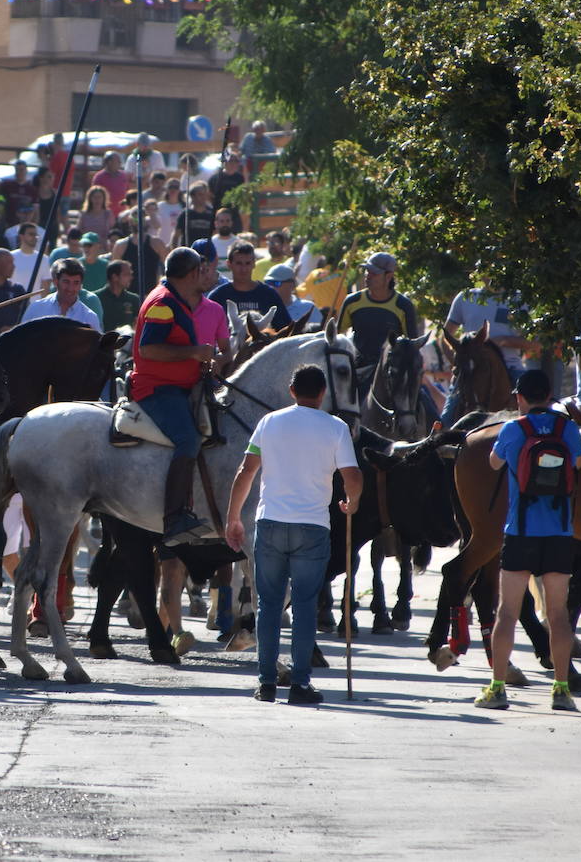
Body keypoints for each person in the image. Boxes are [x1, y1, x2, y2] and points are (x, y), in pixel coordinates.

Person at [224, 364, 362, 705]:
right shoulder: (336, 427)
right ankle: (300, 684)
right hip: (313, 527)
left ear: (291, 391)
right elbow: (353, 476)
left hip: (270, 523)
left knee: (269, 606)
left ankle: (267, 683)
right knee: (303, 606)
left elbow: (246, 471)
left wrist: (233, 518)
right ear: (323, 394)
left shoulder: (269, 423)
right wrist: (351, 502)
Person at [476, 369, 581, 712]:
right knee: (558, 615)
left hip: (520, 533)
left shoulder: (513, 429)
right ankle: (562, 690)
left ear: (520, 398)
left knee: (507, 612)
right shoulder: (566, 428)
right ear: (550, 395)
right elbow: (579, 462)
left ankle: (496, 689)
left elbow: (494, 463)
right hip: (559, 534)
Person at [128, 247, 222, 547]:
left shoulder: (174, 299)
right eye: (203, 269)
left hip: (180, 386)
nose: (206, 274)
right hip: (157, 390)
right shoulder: (163, 304)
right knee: (189, 440)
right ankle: (174, 518)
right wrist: (195, 352)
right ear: (193, 273)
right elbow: (148, 349)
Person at [337, 251, 419, 368]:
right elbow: (336, 335)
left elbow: (412, 346)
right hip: (356, 369)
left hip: (389, 372)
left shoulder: (403, 306)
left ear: (389, 276)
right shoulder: (352, 301)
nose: (368, 276)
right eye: (367, 271)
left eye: (374, 273)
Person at [443, 288, 538, 382]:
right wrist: (461, 365)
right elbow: (445, 337)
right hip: (472, 371)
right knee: (454, 397)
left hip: (510, 368)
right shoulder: (465, 297)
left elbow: (538, 344)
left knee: (531, 393)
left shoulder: (521, 299)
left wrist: (503, 341)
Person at [208, 243, 290, 330]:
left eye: (247, 263)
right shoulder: (217, 297)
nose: (243, 269)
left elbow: (285, 329)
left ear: (254, 263)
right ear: (229, 264)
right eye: (239, 263)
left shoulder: (269, 294)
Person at [22, 258, 101, 330]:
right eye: (66, 282)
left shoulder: (89, 318)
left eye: (76, 283)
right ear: (56, 282)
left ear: (81, 285)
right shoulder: (36, 309)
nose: (70, 288)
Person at [112, 215, 169, 288]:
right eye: (135, 219)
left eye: (141, 218)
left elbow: (168, 267)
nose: (138, 221)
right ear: (130, 222)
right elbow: (114, 271)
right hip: (128, 293)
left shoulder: (157, 243)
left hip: (151, 291)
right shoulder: (121, 245)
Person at [96, 260, 140, 333]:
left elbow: (137, 325)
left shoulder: (134, 299)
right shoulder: (96, 298)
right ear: (114, 277)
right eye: (127, 274)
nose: (131, 277)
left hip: (127, 342)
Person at [9, 222, 53, 293]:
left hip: (35, 303)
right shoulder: (10, 257)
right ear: (21, 236)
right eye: (31, 234)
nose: (35, 237)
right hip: (14, 302)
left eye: (36, 235)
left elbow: (45, 287)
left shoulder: (44, 259)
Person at [172, 182, 216, 249]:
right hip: (188, 252)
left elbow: (215, 234)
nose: (203, 197)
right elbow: (176, 236)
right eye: (200, 194)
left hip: (206, 252)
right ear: (193, 196)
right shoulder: (185, 214)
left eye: (204, 194)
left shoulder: (211, 214)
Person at [0, 159, 39, 229]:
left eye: (21, 170)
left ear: (26, 171)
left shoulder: (32, 189)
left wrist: (34, 225)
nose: (19, 172)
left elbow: (36, 209)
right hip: (10, 223)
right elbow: (1, 204)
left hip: (26, 225)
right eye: (17, 170)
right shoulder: (6, 186)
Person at [157, 179, 184, 245]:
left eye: (176, 187)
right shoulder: (159, 206)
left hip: (179, 244)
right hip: (162, 244)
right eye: (170, 187)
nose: (173, 189)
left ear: (180, 190)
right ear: (166, 189)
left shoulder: (184, 207)